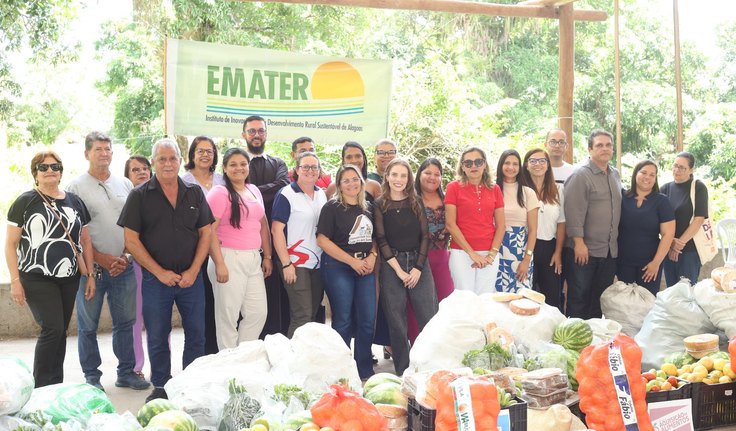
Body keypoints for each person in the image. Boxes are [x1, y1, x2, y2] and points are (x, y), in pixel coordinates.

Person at [117, 138, 214, 402]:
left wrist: (194, 270)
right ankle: (161, 384)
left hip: (191, 279)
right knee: (158, 335)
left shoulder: (194, 193)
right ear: (153, 162)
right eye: (162, 159)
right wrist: (159, 272)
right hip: (155, 280)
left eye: (173, 158)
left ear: (181, 161)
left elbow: (206, 233)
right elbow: (131, 240)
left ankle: (191, 382)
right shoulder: (139, 196)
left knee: (197, 333)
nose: (168, 163)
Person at [66, 132, 149, 391]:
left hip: (123, 267)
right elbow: (74, 231)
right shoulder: (75, 187)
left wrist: (125, 257)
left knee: (125, 323)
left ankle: (126, 372)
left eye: (108, 149)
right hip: (91, 270)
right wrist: (100, 259)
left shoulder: (124, 184)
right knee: (88, 325)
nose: (104, 153)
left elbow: (135, 225)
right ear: (87, 154)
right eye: (98, 149)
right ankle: (92, 377)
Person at [5, 151, 95, 387]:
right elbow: (11, 244)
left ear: (61, 171)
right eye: (43, 168)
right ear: (35, 173)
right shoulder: (25, 201)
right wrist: (15, 280)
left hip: (69, 276)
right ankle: (41, 386)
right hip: (36, 277)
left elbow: (85, 241)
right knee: (52, 328)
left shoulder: (75, 201)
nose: (50, 171)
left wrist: (91, 275)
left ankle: (55, 383)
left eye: (55, 167)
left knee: (60, 331)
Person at [374, 158, 438, 375]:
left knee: (429, 317)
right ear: (387, 177)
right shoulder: (380, 204)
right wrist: (400, 271)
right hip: (392, 266)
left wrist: (418, 268)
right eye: (394, 175)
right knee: (397, 321)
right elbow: (381, 240)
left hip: (419, 263)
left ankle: (430, 366)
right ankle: (403, 370)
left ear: (409, 179)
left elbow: (425, 236)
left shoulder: (416, 201)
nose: (398, 179)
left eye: (403, 175)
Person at [317, 164, 378, 380]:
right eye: (346, 180)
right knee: (343, 319)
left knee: (368, 319)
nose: (352, 183)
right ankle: (342, 370)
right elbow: (322, 239)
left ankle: (363, 369)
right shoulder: (332, 207)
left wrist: (372, 256)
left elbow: (375, 239)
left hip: (365, 267)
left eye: (355, 179)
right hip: (339, 267)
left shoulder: (369, 207)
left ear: (361, 182)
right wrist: (351, 261)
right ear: (339, 185)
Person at [207, 148, 272, 348]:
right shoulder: (220, 192)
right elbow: (209, 231)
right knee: (228, 317)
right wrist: (219, 263)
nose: (239, 168)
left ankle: (242, 356)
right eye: (233, 164)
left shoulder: (253, 190)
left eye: (243, 164)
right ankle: (229, 366)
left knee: (257, 313)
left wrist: (267, 256)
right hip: (228, 257)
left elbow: (263, 224)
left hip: (253, 258)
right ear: (225, 169)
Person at [563, 129, 622, 319]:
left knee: (599, 300)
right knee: (579, 298)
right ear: (590, 149)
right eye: (599, 145)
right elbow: (573, 211)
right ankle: (574, 342)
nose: (605, 149)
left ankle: (595, 343)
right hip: (584, 251)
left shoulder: (615, 174)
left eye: (608, 145)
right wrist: (579, 244)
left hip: (608, 252)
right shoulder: (581, 175)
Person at [241, 115, 290, 337]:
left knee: (276, 294)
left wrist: (248, 191)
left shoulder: (278, 163)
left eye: (260, 130)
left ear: (266, 134)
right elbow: (234, 189)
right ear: (244, 135)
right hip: (247, 240)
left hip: (278, 237)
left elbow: (282, 185)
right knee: (248, 301)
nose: (257, 135)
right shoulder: (238, 163)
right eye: (252, 131)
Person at [272, 152, 328, 338]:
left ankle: (306, 359)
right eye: (305, 167)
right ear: (296, 169)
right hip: (296, 264)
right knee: (301, 317)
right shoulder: (286, 194)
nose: (310, 171)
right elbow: (276, 231)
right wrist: (287, 264)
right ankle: (291, 362)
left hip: (318, 263)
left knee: (311, 315)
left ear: (319, 171)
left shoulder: (321, 195)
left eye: (314, 167)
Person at [181, 136, 224, 355]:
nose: (205, 154)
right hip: (195, 250)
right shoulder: (184, 181)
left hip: (222, 249)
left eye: (209, 151)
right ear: (192, 155)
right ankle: (204, 353)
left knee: (221, 303)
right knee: (202, 305)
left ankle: (219, 351)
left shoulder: (222, 180)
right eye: (200, 151)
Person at [445, 147, 506, 293]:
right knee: (464, 300)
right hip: (462, 253)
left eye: (478, 162)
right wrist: (472, 254)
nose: (473, 166)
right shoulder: (453, 188)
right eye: (468, 163)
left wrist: (491, 255)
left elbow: (501, 225)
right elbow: (450, 224)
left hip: (489, 253)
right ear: (462, 166)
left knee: (485, 300)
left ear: (484, 165)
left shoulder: (495, 189)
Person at [410, 158, 454, 342]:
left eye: (437, 174)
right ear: (419, 174)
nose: (432, 177)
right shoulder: (410, 199)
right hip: (419, 259)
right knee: (416, 305)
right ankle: (416, 346)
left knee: (446, 302)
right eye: (428, 173)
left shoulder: (447, 199)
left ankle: (442, 345)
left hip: (442, 258)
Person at [617, 160, 675, 295]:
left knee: (646, 305)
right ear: (635, 174)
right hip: (623, 262)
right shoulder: (622, 197)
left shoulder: (662, 201)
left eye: (652, 175)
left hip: (649, 264)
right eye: (643, 172)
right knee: (624, 305)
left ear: (655, 179)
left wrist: (656, 263)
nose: (647, 177)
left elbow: (668, 234)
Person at [521, 149, 566, 309]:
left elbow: (561, 223)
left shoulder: (558, 190)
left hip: (550, 248)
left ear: (548, 165)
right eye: (533, 160)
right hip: (524, 247)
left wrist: (558, 252)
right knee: (525, 295)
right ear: (526, 165)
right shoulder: (520, 190)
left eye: (542, 161)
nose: (538, 164)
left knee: (552, 298)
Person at [661, 152, 709, 285]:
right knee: (671, 292)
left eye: (682, 167)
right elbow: (658, 219)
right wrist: (671, 243)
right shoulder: (665, 188)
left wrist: (678, 246)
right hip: (667, 246)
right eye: (675, 165)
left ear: (691, 170)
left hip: (689, 250)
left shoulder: (698, 187)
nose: (677, 170)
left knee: (686, 292)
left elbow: (699, 219)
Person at [495, 150, 540, 292]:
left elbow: (533, 231)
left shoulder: (528, 192)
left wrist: (527, 259)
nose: (511, 167)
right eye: (507, 163)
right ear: (501, 165)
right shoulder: (491, 189)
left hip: (520, 251)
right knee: (495, 298)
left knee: (521, 297)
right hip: (495, 250)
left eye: (515, 164)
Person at [123, 155, 151, 379]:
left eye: (145, 168)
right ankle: (135, 368)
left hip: (161, 267)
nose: (142, 172)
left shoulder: (161, 195)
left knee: (158, 321)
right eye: (135, 170)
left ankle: (162, 367)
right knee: (135, 320)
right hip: (135, 267)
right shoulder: (126, 199)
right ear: (127, 176)